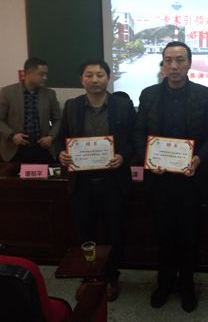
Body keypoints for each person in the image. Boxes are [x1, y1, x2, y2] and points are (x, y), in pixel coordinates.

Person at [134, 41, 208, 313]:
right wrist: (148, 159)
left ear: (189, 63)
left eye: (180, 60)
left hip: (191, 180)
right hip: (159, 180)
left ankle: (187, 284)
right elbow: (139, 133)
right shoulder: (149, 95)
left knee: (190, 236)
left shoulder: (204, 95)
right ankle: (164, 283)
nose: (174, 66)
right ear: (163, 64)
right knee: (163, 235)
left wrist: (199, 158)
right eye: (168, 60)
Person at [54, 59, 135, 302]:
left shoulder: (123, 105)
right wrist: (60, 153)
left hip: (114, 181)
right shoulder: (72, 106)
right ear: (82, 80)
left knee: (114, 233)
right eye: (89, 75)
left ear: (108, 78)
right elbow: (60, 138)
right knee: (86, 233)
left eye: (100, 75)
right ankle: (89, 276)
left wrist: (124, 156)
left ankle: (110, 277)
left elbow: (134, 139)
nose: (95, 79)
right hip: (82, 183)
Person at [0, 57, 61, 163]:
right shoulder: (7, 92)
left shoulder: (49, 94)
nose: (45, 78)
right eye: (41, 74)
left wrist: (51, 137)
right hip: (16, 148)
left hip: (43, 147)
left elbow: (58, 119)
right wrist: (12, 135)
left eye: (46, 74)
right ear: (28, 73)